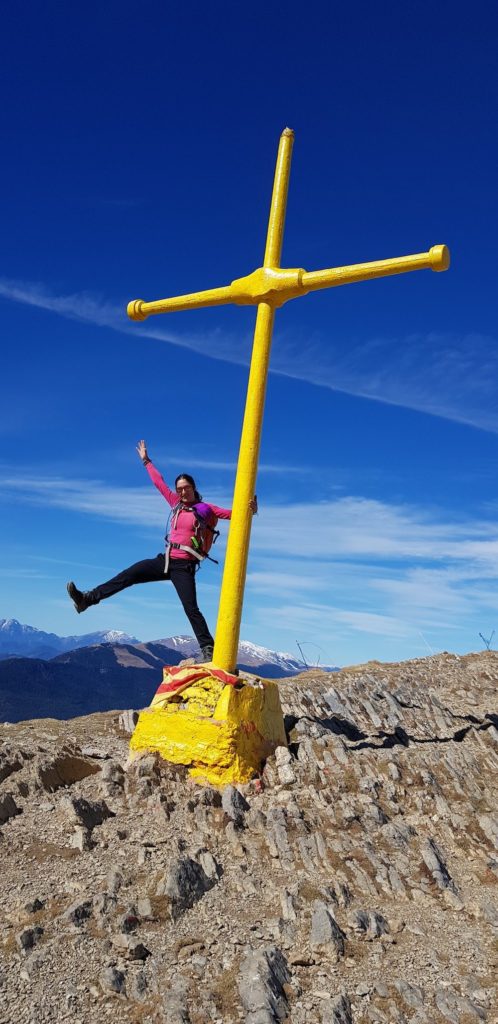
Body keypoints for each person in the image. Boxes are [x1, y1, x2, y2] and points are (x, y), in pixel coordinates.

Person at [66, 441, 257, 662]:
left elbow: (234, 514)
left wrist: (250, 509)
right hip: (165, 560)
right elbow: (159, 484)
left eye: (186, 488)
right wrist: (146, 461)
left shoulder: (206, 509)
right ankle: (86, 599)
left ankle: (208, 649)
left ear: (194, 487)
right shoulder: (175, 503)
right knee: (128, 575)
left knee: (190, 608)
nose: (182, 492)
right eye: (179, 489)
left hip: (184, 566)